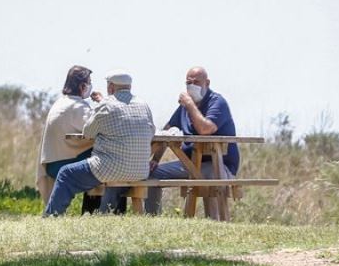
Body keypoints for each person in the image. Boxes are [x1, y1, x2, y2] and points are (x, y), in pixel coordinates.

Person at [43, 69, 154, 217]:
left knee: (66, 173)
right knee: (113, 169)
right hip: (140, 170)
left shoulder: (106, 105)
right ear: (130, 87)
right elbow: (151, 132)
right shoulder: (143, 105)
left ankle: (52, 216)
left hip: (111, 168)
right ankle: (112, 213)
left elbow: (88, 132)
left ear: (111, 87)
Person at [144, 66, 237, 215]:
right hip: (190, 164)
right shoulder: (184, 107)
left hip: (218, 165)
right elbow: (166, 133)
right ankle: (152, 219)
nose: (192, 86)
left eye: (196, 82)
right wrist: (155, 159)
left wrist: (189, 105)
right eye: (189, 83)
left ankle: (215, 225)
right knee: (151, 174)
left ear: (207, 83)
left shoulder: (217, 102)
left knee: (211, 182)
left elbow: (205, 129)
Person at [37, 65, 105, 214]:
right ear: (82, 86)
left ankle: (91, 212)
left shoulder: (61, 103)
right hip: (64, 163)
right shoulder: (78, 107)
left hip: (52, 163)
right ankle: (97, 212)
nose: (90, 86)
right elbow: (101, 127)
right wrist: (102, 103)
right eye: (89, 82)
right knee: (108, 158)